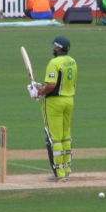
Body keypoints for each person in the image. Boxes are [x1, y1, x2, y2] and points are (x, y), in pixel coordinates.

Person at [28, 36, 77, 182]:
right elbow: (59, 82)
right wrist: (39, 86)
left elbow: (52, 85)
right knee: (65, 136)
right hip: (69, 100)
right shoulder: (72, 61)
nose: (52, 49)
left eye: (54, 47)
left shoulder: (54, 62)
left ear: (59, 48)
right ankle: (66, 169)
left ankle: (59, 174)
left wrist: (38, 93)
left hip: (54, 103)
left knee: (54, 138)